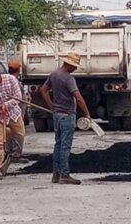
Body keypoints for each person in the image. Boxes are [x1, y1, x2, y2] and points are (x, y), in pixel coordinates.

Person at [40, 52, 91, 185]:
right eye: (74, 66)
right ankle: (64, 174)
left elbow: (43, 90)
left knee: (58, 144)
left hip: (57, 115)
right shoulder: (68, 78)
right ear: (68, 64)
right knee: (65, 146)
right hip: (67, 114)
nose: (75, 68)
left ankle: (55, 174)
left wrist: (51, 106)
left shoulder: (54, 74)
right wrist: (87, 113)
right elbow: (78, 97)